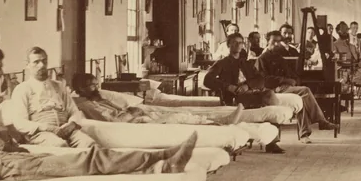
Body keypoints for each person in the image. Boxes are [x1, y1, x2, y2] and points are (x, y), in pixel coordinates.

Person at [0, 46, 197, 181]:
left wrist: (13, 142)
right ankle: (159, 161)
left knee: (89, 155)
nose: (1, 73)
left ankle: (160, 160)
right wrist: (13, 146)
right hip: (0, 160)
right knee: (86, 160)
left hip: (9, 154)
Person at [203, 34, 289, 152]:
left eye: (241, 43)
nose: (239, 45)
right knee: (269, 97)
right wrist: (227, 86)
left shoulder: (246, 63)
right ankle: (271, 143)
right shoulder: (222, 63)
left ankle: (271, 140)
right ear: (228, 45)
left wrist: (247, 85)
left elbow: (261, 79)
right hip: (234, 98)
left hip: (250, 94)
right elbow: (207, 80)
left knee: (269, 98)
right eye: (235, 43)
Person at [71, 73, 245, 126]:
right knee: (176, 117)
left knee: (179, 114)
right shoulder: (86, 105)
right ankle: (218, 123)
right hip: (133, 122)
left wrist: (132, 109)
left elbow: (119, 108)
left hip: (135, 116)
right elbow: (111, 120)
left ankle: (218, 121)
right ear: (80, 89)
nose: (96, 88)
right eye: (92, 85)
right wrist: (134, 111)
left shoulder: (98, 97)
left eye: (96, 83)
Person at [7, 47, 96, 149]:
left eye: (44, 61)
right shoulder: (22, 89)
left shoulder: (59, 85)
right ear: (27, 65)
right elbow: (20, 122)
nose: (42, 65)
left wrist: (72, 124)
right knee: (60, 146)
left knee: (90, 145)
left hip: (66, 130)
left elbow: (74, 111)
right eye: (36, 62)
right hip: (41, 133)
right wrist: (46, 127)